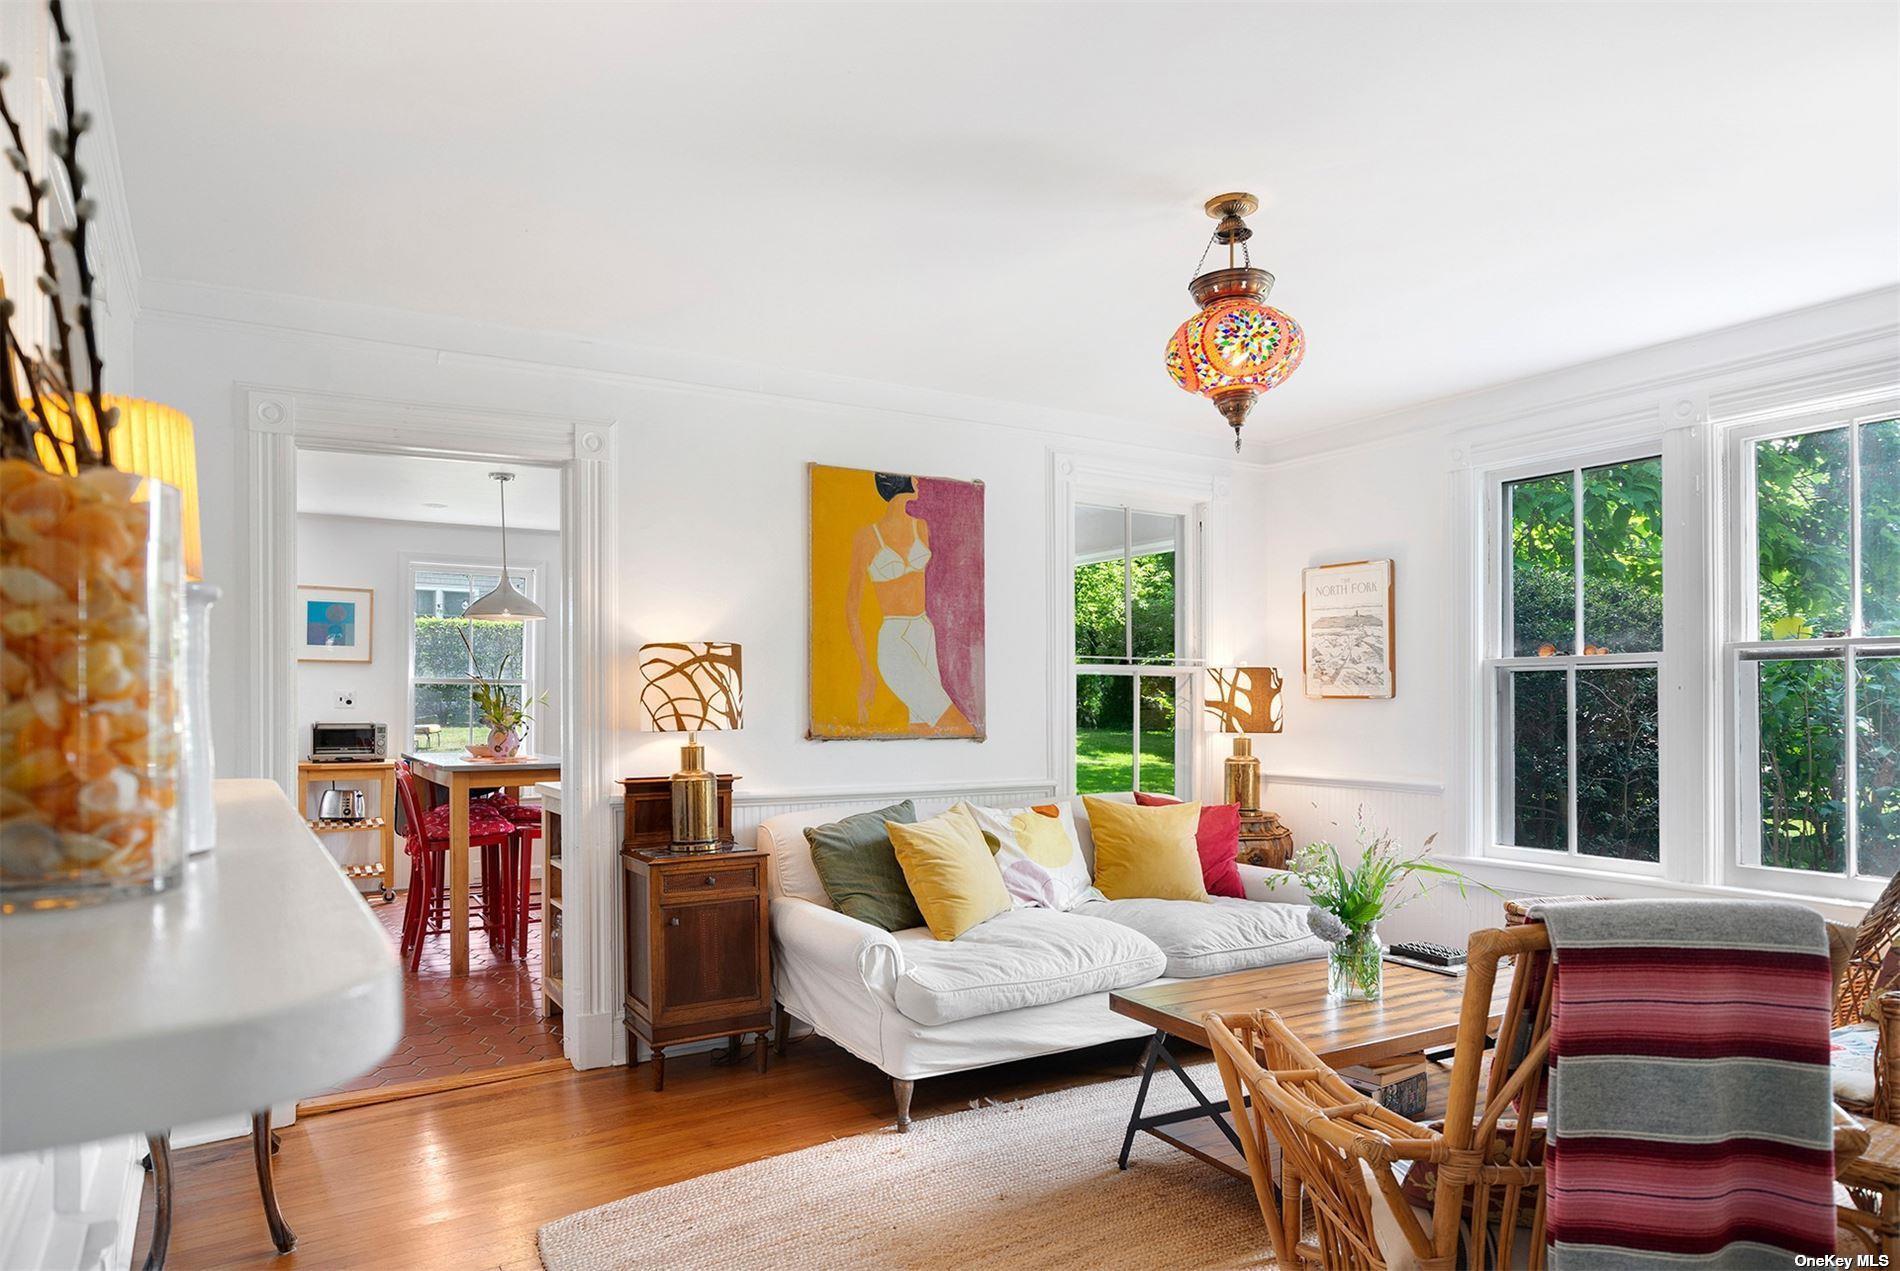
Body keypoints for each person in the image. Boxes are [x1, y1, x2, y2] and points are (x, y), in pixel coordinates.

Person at [844, 472, 975, 736]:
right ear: (897, 483)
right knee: (959, 728)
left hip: (924, 631)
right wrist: (866, 672)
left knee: (923, 730)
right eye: (912, 478)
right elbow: (852, 607)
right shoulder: (867, 537)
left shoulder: (921, 527)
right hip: (895, 640)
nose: (917, 481)